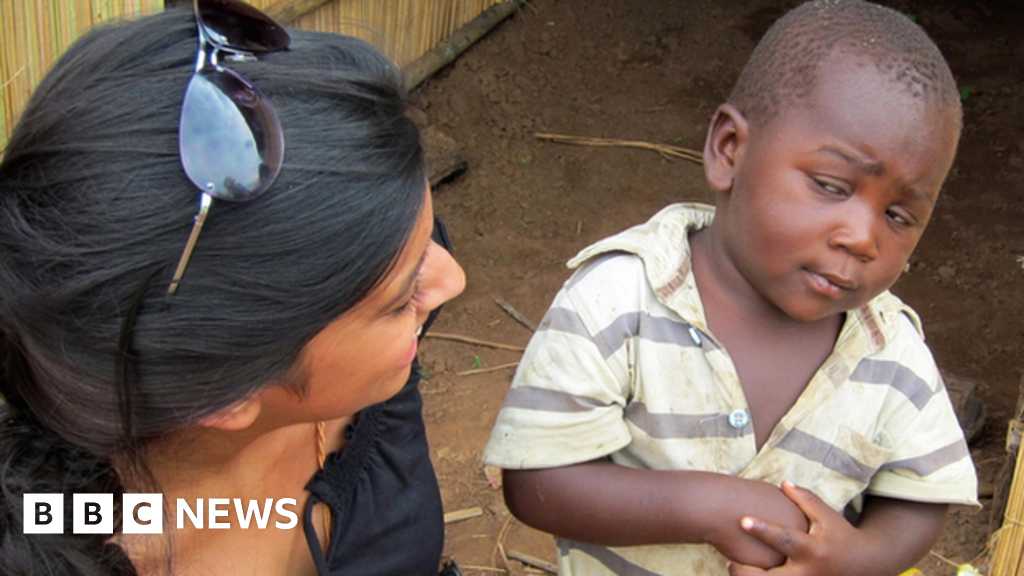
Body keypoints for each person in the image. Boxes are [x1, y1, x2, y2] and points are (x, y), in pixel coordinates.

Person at [482, 1, 978, 575]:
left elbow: (919, 498)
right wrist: (709, 508)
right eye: (831, 185)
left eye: (899, 216)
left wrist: (857, 558)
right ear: (729, 151)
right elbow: (536, 480)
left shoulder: (890, 351)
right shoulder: (617, 301)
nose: (863, 238)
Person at [0, 3, 465, 575]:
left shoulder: (362, 310)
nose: (450, 280)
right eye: (400, 299)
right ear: (224, 396)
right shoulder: (79, 531)